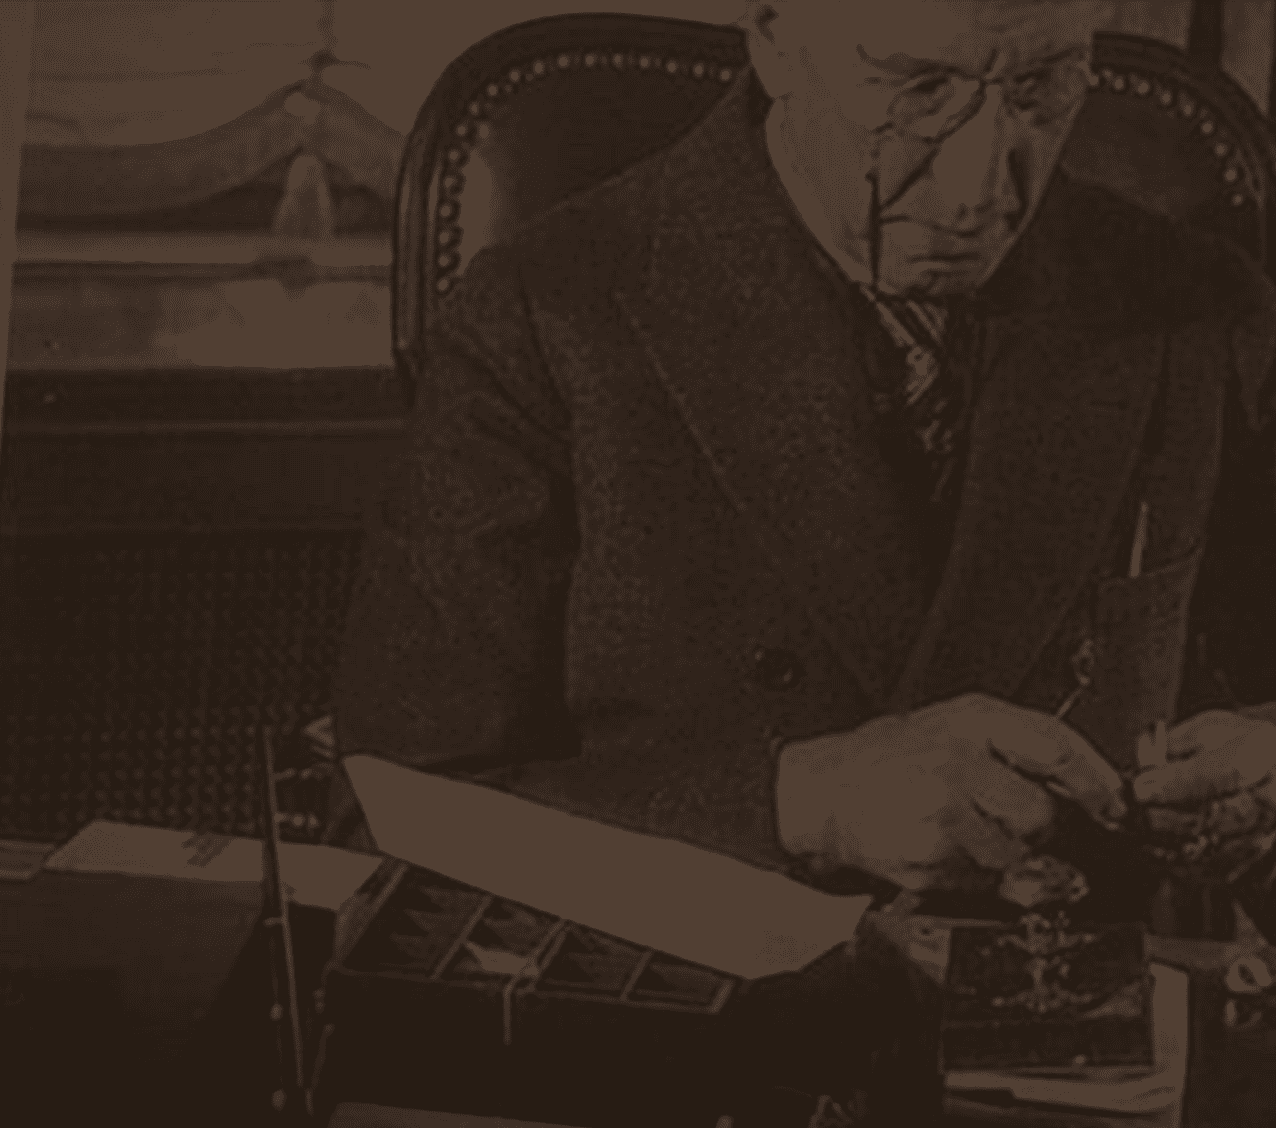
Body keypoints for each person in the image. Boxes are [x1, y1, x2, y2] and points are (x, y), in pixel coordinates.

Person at [329, 0, 1276, 931]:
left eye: (1040, 87)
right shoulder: (540, 320)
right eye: (920, 88)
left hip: (1083, 1006)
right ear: (777, 41)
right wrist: (802, 804)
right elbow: (387, 822)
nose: (979, 190)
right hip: (696, 1009)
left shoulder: (1198, 307)